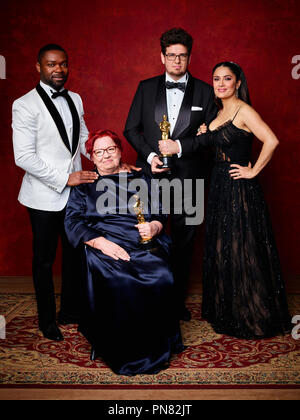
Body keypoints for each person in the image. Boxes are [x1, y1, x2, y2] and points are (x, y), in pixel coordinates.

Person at [12, 44, 138, 341]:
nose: (58, 70)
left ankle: (71, 311)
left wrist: (112, 162)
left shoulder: (76, 99)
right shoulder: (24, 104)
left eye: (63, 64)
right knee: (44, 260)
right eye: (51, 64)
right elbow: (24, 157)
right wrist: (65, 178)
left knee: (74, 255)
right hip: (42, 195)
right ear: (39, 67)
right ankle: (47, 321)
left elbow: (84, 141)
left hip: (74, 193)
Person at [172, 61, 291, 339]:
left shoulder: (244, 110)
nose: (221, 83)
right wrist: (206, 135)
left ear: (238, 83)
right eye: (216, 79)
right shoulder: (218, 111)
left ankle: (249, 311)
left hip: (239, 187)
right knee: (223, 245)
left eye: (227, 79)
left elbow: (271, 140)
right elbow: (217, 144)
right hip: (219, 185)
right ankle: (226, 309)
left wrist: (253, 171)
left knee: (242, 246)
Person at [64, 130, 184, 376]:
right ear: (92, 158)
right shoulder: (84, 185)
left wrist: (154, 226)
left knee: (161, 274)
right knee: (120, 279)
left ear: (120, 151)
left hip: (141, 242)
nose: (106, 155)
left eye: (110, 149)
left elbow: (160, 212)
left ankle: (157, 345)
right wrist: (100, 244)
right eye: (99, 151)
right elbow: (73, 221)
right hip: (104, 244)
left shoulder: (140, 176)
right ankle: (121, 349)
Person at [124, 28, 217, 321]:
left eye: (183, 56)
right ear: (162, 56)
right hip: (150, 178)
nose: (177, 61)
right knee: (148, 236)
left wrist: (181, 146)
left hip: (191, 179)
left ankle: (175, 302)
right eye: (172, 56)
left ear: (189, 56)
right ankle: (151, 296)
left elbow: (213, 137)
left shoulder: (205, 91)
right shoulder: (145, 87)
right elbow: (131, 129)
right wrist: (151, 156)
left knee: (185, 241)